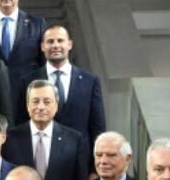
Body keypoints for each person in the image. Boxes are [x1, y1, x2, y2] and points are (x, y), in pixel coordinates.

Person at [18, 25, 105, 167]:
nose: (55, 45)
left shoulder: (90, 81)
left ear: (69, 44)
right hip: (39, 160)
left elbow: (97, 127)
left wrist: (94, 168)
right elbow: (21, 124)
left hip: (79, 162)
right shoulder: (28, 81)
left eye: (60, 40)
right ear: (42, 46)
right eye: (50, 41)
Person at [4, 80, 87, 180]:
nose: (40, 107)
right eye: (35, 101)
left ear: (56, 106)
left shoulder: (74, 139)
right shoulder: (10, 139)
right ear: (27, 105)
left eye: (47, 102)